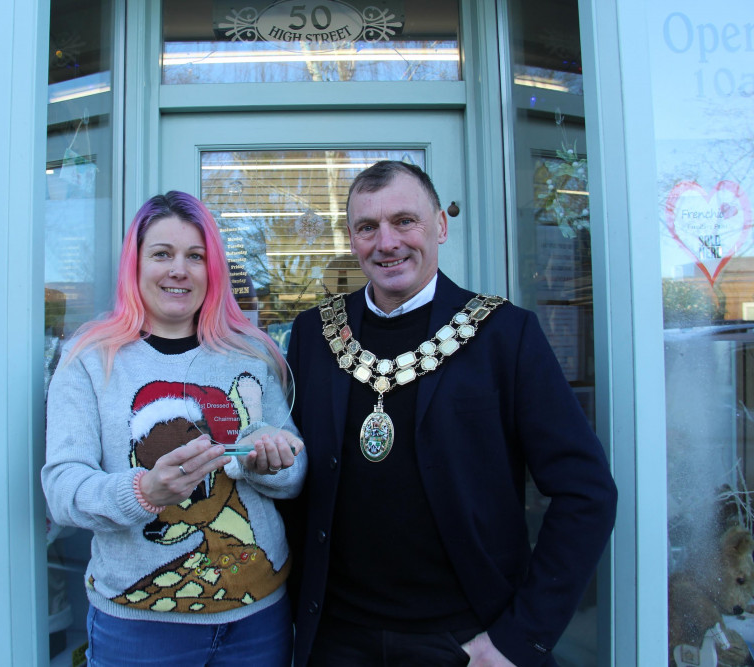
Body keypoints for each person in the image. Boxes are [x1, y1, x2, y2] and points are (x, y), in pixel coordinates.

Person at [284, 161, 617, 666]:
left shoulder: (504, 334)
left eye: (405, 221)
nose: (387, 242)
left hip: (465, 640)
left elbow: (586, 492)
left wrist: (519, 637)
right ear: (351, 239)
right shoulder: (316, 335)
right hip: (337, 638)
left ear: (440, 225)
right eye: (367, 227)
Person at [42, 191, 305, 666]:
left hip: (257, 622)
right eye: (162, 254)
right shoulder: (90, 359)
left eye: (195, 256)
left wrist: (268, 462)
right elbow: (62, 489)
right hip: (138, 630)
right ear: (135, 264)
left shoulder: (249, 354)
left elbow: (295, 474)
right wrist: (144, 492)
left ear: (213, 270)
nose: (178, 270)